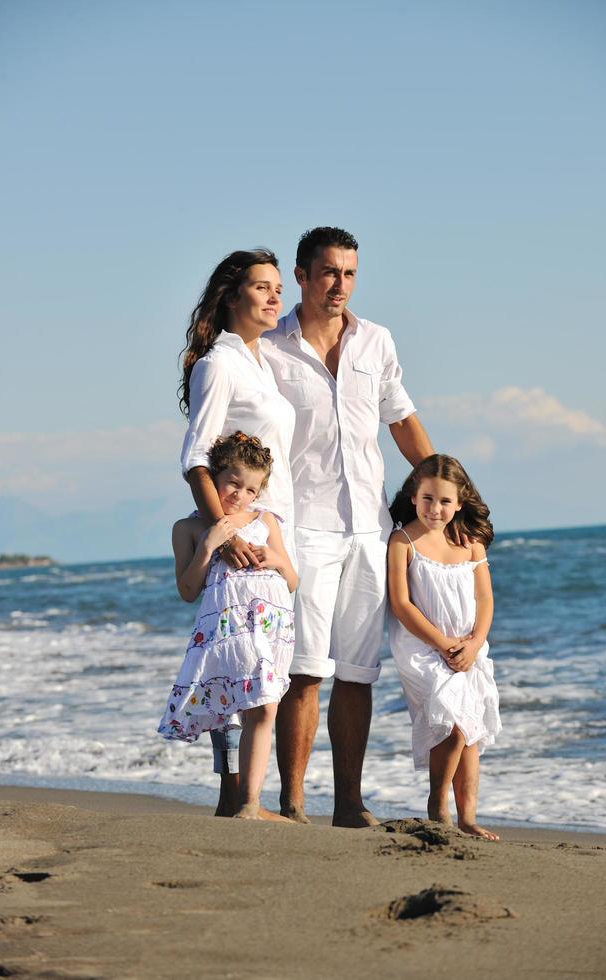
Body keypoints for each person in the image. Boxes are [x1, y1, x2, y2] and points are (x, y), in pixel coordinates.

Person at [263, 227, 434, 827]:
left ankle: (347, 803)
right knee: (304, 670)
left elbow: (402, 420)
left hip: (368, 527)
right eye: (330, 272)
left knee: (358, 673)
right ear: (303, 276)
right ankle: (292, 801)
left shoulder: (376, 342)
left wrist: (444, 487)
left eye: (351, 273)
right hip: (302, 527)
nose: (341, 285)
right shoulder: (269, 348)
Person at [178, 249, 296, 815]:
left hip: (267, 532)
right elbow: (196, 456)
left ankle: (242, 797)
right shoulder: (219, 364)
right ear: (231, 297)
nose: (276, 297)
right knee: (238, 665)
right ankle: (235, 798)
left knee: (257, 667)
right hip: (238, 540)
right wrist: (225, 536)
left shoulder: (260, 362)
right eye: (262, 287)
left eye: (278, 288)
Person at [158, 431, 298, 821]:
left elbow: (292, 579)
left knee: (263, 709)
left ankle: (249, 803)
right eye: (232, 483)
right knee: (250, 708)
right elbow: (187, 590)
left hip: (272, 626)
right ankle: (246, 801)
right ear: (213, 479)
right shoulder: (186, 529)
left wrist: (274, 557)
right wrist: (208, 545)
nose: (240, 495)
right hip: (229, 629)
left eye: (251, 489)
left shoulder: (265, 520)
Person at [386, 453, 501, 840]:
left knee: (469, 729)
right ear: (414, 497)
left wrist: (474, 643)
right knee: (450, 725)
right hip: (422, 647)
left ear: (460, 502)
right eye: (428, 499)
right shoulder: (403, 541)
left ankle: (467, 816)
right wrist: (443, 644)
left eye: (445, 501)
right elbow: (401, 604)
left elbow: (485, 600)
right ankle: (438, 803)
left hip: (468, 650)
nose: (436, 509)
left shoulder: (470, 543)